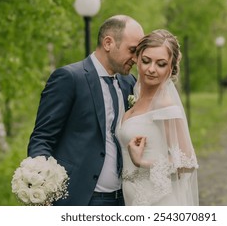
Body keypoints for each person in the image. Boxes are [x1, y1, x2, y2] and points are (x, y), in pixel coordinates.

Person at [27, 15, 144, 206]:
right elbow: (42, 138)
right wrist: (41, 182)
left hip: (124, 199)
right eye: (132, 50)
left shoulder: (129, 83)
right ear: (108, 43)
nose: (135, 59)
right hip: (79, 199)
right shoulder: (69, 78)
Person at [116, 29, 199, 206]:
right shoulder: (134, 98)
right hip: (132, 199)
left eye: (161, 64)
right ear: (137, 59)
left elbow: (188, 161)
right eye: (146, 61)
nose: (151, 69)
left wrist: (142, 162)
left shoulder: (165, 105)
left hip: (158, 201)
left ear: (171, 68)